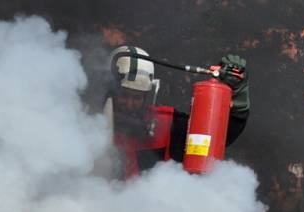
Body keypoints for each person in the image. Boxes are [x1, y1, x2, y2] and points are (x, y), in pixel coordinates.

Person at [105, 47, 249, 180]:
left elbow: (218, 134)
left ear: (146, 96)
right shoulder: (90, 127)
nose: (130, 104)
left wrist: (238, 99)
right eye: (124, 95)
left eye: (137, 97)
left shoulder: (166, 125)